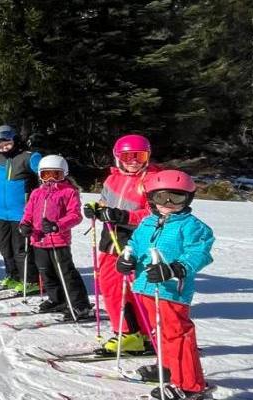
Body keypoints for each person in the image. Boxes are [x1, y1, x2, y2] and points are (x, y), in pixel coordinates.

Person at [118, 170, 215, 400]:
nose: (169, 204)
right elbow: (135, 243)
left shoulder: (192, 226)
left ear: (188, 199)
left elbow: (199, 252)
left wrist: (175, 268)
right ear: (151, 199)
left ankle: (190, 385)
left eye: (177, 198)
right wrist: (127, 258)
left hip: (171, 290)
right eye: (162, 198)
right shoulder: (147, 222)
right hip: (146, 286)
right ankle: (168, 368)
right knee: (160, 333)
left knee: (177, 335)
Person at [85, 133, 164, 355]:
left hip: (137, 242)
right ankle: (134, 333)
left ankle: (135, 334)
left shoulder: (153, 180)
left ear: (147, 156)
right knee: (112, 287)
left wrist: (124, 216)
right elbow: (103, 203)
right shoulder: (112, 179)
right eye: (127, 156)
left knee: (136, 289)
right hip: (111, 240)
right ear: (118, 157)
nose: (133, 161)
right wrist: (96, 209)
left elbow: (155, 213)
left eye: (138, 156)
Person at [19, 155, 93, 319]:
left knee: (66, 273)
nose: (51, 178)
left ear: (64, 174)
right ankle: (57, 299)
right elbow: (28, 212)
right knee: (46, 273)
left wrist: (56, 225)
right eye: (46, 174)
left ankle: (80, 305)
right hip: (38, 240)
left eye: (56, 174)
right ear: (40, 175)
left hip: (58, 241)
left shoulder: (69, 192)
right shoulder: (36, 193)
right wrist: (25, 225)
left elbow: (75, 215)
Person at [0, 125, 42, 293]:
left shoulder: (29, 157)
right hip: (2, 212)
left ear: (16, 140)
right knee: (4, 245)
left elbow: (45, 176)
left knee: (21, 248)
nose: (4, 147)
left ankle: (30, 280)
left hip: (22, 212)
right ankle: (13, 275)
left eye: (7, 143)